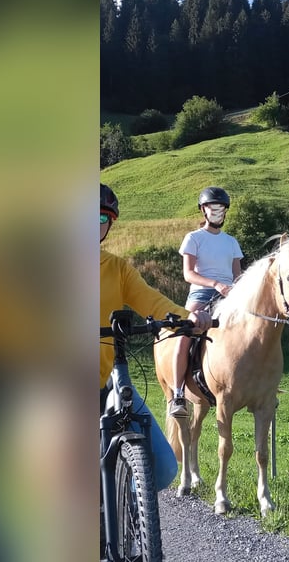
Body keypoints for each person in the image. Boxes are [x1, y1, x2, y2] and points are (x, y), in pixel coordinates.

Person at [100, 183, 212, 490]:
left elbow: (152, 301)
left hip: (104, 383)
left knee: (161, 469)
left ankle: (122, 514)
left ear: (109, 225)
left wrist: (188, 317)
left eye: (101, 219)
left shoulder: (117, 269)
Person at [169, 186, 243, 417]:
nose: (218, 212)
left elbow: (238, 276)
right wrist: (215, 284)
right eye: (213, 207)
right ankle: (178, 394)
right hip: (201, 294)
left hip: (229, 296)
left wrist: (236, 291)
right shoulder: (193, 238)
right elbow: (188, 274)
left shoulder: (231, 242)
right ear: (204, 210)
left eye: (221, 208)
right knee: (184, 333)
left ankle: (262, 387)